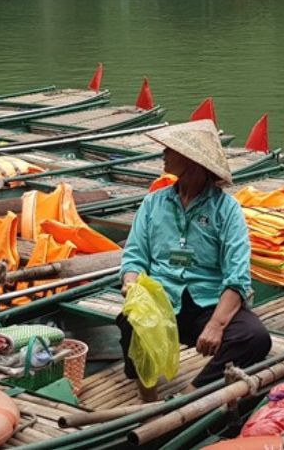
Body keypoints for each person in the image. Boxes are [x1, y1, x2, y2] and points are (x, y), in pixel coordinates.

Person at [117, 120, 271, 400]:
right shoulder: (153, 203)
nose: (164, 153)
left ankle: (189, 396)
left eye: (171, 149)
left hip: (208, 304)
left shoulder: (227, 210)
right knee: (131, 320)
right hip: (162, 300)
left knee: (255, 337)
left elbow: (237, 277)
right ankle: (148, 400)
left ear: (191, 160)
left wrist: (217, 325)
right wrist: (130, 282)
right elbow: (135, 255)